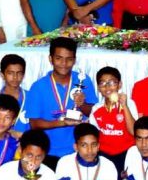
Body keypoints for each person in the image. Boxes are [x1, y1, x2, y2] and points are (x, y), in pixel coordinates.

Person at [28, 37, 97, 169]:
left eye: (69, 59)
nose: (64, 63)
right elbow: (34, 124)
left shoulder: (83, 80)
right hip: (48, 152)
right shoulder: (38, 86)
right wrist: (62, 122)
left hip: (79, 150)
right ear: (50, 59)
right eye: (59, 58)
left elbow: (95, 113)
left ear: (74, 60)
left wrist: (82, 105)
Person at [89, 66, 137, 175]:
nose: (107, 87)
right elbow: (94, 135)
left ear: (119, 85)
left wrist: (124, 106)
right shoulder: (96, 108)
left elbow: (134, 131)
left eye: (111, 83)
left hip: (126, 153)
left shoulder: (129, 104)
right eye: (102, 84)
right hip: (104, 154)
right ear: (98, 87)